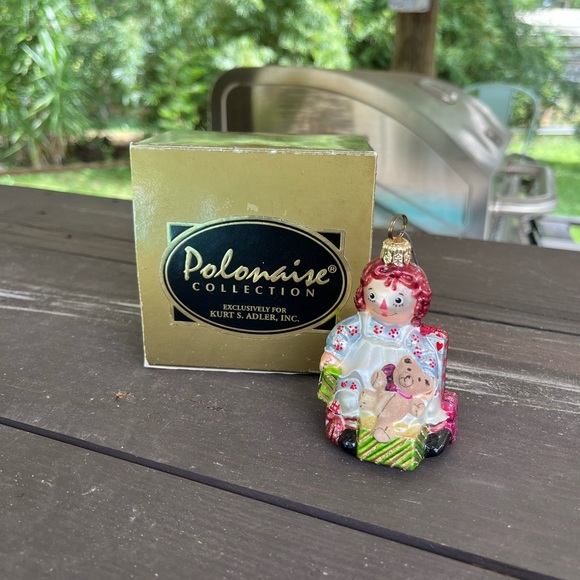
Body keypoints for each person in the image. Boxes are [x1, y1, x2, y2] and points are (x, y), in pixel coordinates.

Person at [318, 218, 457, 469]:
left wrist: (425, 377)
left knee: (412, 405)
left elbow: (426, 356)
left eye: (397, 300)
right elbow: (343, 334)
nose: (383, 305)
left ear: (417, 304)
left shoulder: (410, 334)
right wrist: (334, 355)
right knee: (350, 395)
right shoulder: (362, 323)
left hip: (398, 384)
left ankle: (407, 432)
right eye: (373, 295)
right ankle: (351, 425)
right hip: (361, 373)